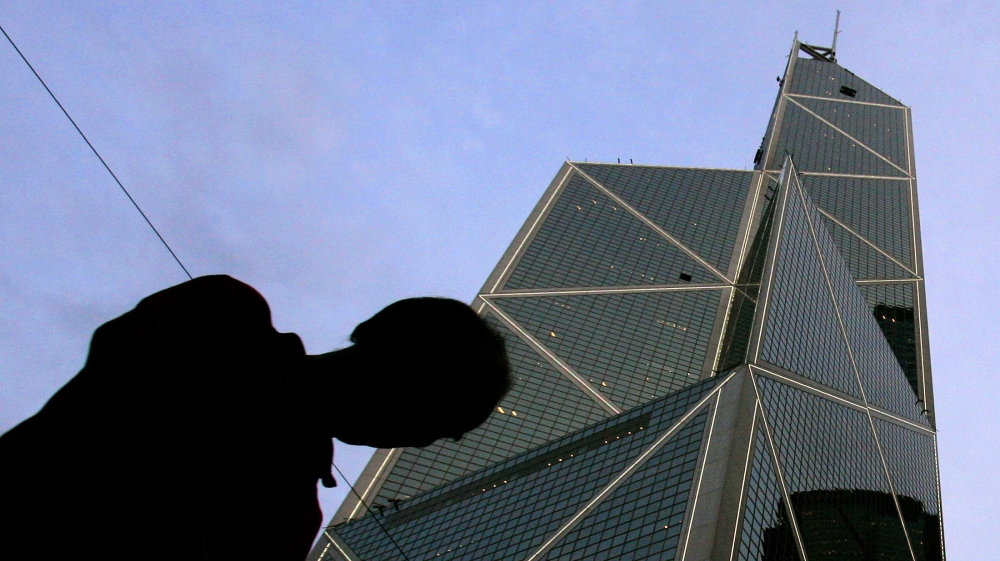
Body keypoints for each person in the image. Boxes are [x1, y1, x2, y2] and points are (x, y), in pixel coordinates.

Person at [0, 275, 511, 561]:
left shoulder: (298, 520)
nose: (421, 440)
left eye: (446, 432)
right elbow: (112, 427)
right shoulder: (224, 320)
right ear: (384, 334)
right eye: (437, 401)